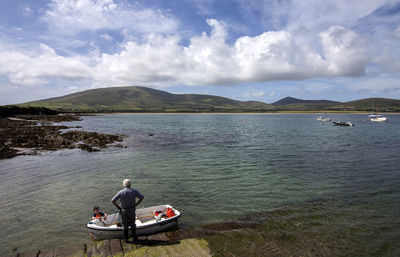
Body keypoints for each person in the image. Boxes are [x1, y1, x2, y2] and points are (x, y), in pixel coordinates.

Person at [111, 179, 144, 243]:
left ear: (124, 185)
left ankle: (126, 239)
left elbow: (113, 200)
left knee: (124, 225)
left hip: (123, 210)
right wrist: (136, 204)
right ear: (130, 184)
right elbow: (142, 197)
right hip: (132, 209)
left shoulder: (120, 192)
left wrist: (118, 207)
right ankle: (134, 238)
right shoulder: (134, 191)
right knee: (132, 223)